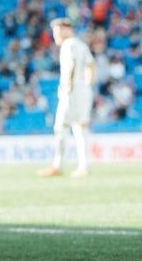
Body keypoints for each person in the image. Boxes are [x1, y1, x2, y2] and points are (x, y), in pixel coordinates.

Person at [39, 18, 95, 178]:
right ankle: (84, 166)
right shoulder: (81, 44)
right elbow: (91, 65)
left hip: (72, 90)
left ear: (66, 29)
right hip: (84, 89)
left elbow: (71, 64)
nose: (55, 35)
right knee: (80, 128)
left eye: (57, 31)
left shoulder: (68, 45)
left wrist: (69, 86)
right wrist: (87, 84)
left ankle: (58, 165)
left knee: (61, 127)